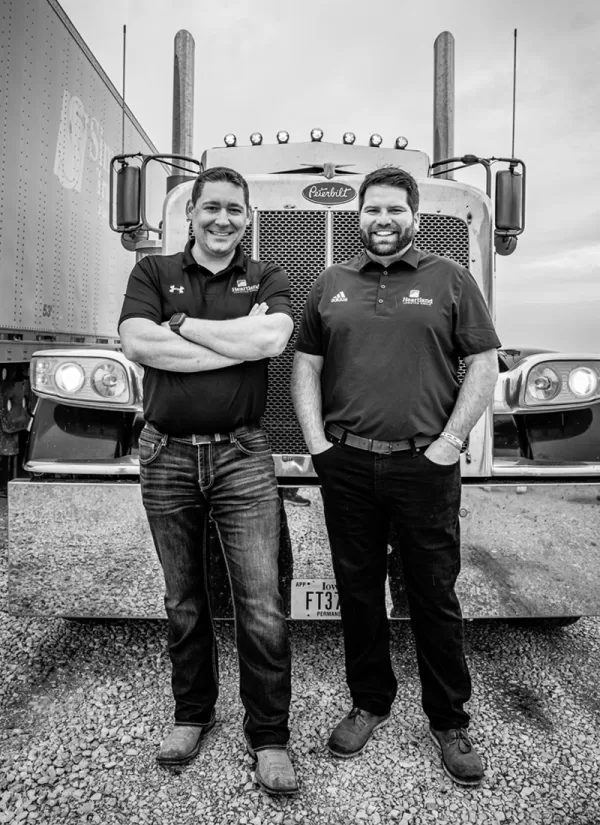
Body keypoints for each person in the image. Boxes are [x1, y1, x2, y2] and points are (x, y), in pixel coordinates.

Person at [291, 166, 500, 787]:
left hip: (424, 464)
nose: (383, 221)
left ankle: (449, 721)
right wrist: (318, 447)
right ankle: (370, 701)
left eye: (395, 210)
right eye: (373, 210)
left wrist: (451, 443)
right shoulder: (331, 283)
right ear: (360, 215)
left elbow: (484, 364)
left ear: (414, 215)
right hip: (348, 463)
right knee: (358, 591)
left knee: (433, 593)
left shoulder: (450, 280)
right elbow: (306, 365)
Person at [118, 166, 297, 795]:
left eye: (234, 210)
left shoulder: (269, 275)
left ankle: (270, 736)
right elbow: (139, 342)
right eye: (211, 208)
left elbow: (273, 338)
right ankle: (192, 714)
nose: (223, 219)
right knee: (183, 598)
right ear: (191, 213)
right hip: (165, 455)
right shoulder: (152, 272)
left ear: (248, 218)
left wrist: (184, 327)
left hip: (243, 455)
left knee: (261, 602)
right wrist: (234, 343)